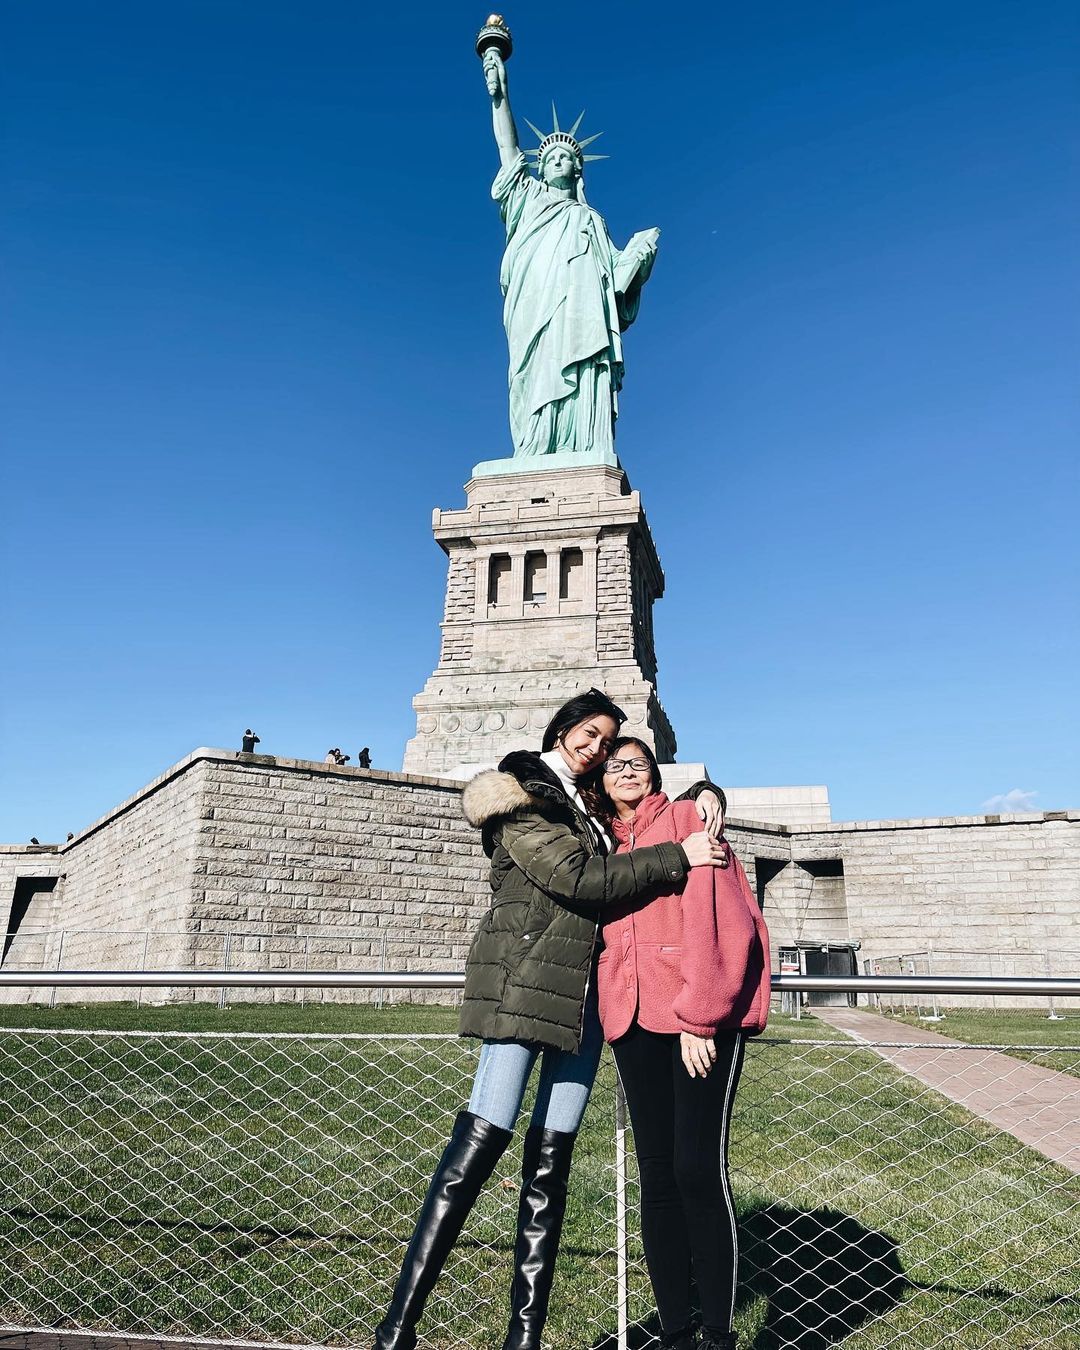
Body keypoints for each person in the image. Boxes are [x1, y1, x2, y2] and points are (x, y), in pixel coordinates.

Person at [372, 689, 727, 1350]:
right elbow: (579, 879)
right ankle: (398, 1328)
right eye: (587, 734)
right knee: (478, 1148)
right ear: (563, 728)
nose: (595, 748)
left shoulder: (589, 802)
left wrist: (706, 792)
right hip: (529, 989)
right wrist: (680, 856)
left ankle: (524, 1338)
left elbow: (646, 808)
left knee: (549, 1167)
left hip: (587, 1002)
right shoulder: (519, 793)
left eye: (604, 739)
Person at [593, 738, 771, 1350]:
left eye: (636, 763)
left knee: (697, 1169)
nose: (624, 770)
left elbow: (724, 920)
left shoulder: (690, 820)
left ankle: (718, 1334)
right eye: (613, 764)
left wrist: (701, 1017)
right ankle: (674, 1333)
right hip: (634, 1020)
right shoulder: (601, 841)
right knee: (658, 1177)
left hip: (694, 1018)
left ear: (655, 776)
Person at [482, 45, 659, 458]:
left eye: (566, 158)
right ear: (540, 168)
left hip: (582, 312)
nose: (558, 161)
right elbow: (508, 150)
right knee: (534, 367)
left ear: (577, 170)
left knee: (581, 361)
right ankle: (535, 445)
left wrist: (640, 255)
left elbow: (616, 284)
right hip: (535, 300)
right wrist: (500, 95)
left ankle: (581, 442)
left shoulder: (591, 220)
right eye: (551, 157)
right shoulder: (527, 200)